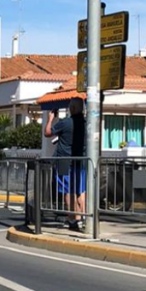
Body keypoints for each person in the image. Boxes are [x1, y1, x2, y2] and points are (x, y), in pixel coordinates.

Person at [44, 97, 86, 231]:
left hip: (64, 161)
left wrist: (50, 119)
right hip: (81, 161)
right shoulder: (86, 123)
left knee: (68, 191)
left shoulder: (66, 123)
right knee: (80, 191)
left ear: (72, 108)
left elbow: (48, 133)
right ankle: (83, 216)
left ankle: (76, 219)